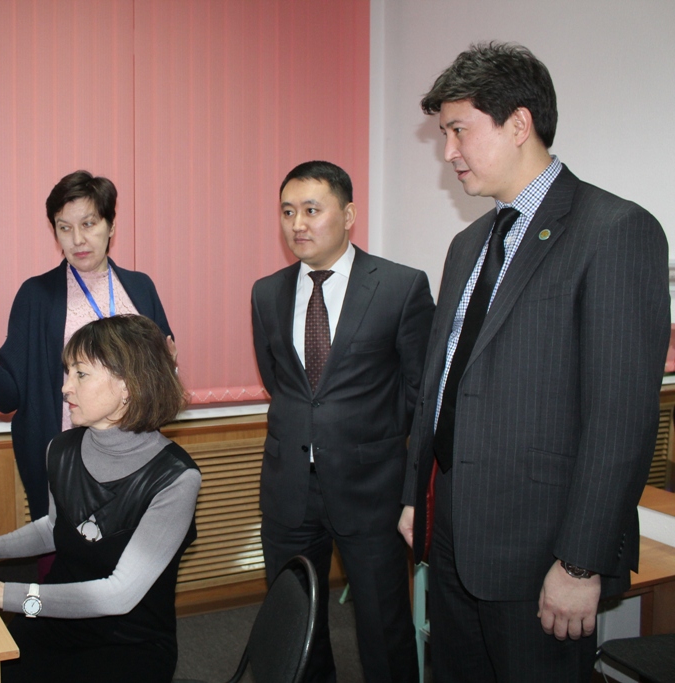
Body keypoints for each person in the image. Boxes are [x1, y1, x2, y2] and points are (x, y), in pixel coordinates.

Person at [398, 42, 670, 683]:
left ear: (518, 123)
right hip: (453, 529)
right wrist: (418, 498)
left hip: (541, 548)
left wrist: (580, 563)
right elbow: (442, 383)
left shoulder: (614, 231)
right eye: (445, 134)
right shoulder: (468, 244)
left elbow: (621, 420)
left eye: (459, 130)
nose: (448, 152)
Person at [0, 314, 200, 683]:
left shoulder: (176, 478)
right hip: (55, 617)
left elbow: (119, 595)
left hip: (128, 643)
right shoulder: (61, 448)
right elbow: (53, 528)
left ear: (128, 386)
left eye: (81, 374)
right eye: (67, 373)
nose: (65, 387)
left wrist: (3, 593)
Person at [251, 160, 434, 683]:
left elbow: (422, 396)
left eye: (312, 210)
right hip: (289, 486)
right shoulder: (267, 292)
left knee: (383, 624)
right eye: (288, 212)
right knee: (296, 623)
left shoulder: (400, 286)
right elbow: (280, 382)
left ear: (349, 215)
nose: (297, 224)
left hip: (371, 486)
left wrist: (411, 490)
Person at [0, 170, 175, 524]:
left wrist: (169, 369)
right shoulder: (36, 295)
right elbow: (10, 398)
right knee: (65, 549)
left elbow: (163, 374)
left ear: (111, 226)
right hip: (67, 461)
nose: (77, 239)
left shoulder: (140, 288)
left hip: (136, 455)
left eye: (88, 224)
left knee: (139, 549)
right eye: (64, 227)